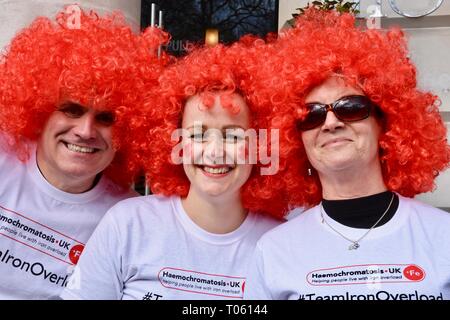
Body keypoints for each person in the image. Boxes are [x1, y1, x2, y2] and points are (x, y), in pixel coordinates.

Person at [246, 8, 450, 300]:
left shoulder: (443, 236)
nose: (331, 123)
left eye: (350, 107)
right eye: (311, 115)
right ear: (295, 139)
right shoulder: (274, 249)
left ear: (385, 123)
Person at [60, 41, 288, 300]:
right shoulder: (129, 224)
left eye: (233, 136)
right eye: (198, 134)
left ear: (261, 145)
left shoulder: (279, 243)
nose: (214, 152)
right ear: (174, 141)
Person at [0, 7, 167, 299]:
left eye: (106, 118)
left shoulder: (128, 219)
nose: (86, 130)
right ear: (40, 113)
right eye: (72, 109)